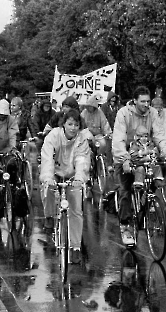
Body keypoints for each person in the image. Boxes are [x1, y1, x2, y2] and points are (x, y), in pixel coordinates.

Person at [112, 86, 166, 245]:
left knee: (159, 171)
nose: (146, 104)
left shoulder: (153, 113)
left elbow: (159, 136)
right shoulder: (124, 113)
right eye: (142, 101)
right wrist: (124, 158)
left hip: (146, 155)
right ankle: (125, 226)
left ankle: (146, 204)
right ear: (135, 101)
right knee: (125, 190)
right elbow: (118, 139)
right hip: (127, 155)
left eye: (148, 101)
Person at [39, 108, 90, 263]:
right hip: (54, 171)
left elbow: (82, 161)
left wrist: (80, 178)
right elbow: (47, 158)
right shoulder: (54, 135)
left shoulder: (82, 140)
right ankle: (49, 216)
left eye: (76, 125)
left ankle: (75, 247)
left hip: (73, 175)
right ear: (64, 124)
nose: (73, 128)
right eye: (70, 124)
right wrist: (48, 177)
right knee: (48, 191)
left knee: (76, 208)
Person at [81, 93, 113, 172]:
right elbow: (80, 123)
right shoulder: (84, 113)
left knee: (103, 144)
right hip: (87, 134)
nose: (89, 108)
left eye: (91, 107)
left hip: (98, 134)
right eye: (88, 106)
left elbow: (104, 123)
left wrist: (108, 133)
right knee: (87, 145)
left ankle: (99, 156)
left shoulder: (99, 113)